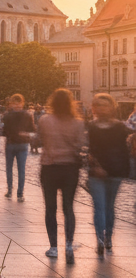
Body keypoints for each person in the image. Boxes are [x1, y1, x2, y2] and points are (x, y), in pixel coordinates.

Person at [36, 87, 86, 264]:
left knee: (50, 208)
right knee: (68, 208)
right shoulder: (78, 123)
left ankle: (53, 247)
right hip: (70, 169)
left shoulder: (45, 120)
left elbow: (38, 140)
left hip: (49, 167)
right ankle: (69, 245)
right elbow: (81, 145)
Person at [86, 93, 131, 256]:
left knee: (109, 206)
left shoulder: (119, 126)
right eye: (98, 105)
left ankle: (108, 237)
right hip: (96, 171)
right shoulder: (91, 125)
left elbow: (124, 150)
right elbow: (90, 149)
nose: (101, 108)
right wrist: (95, 165)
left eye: (105, 105)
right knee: (99, 206)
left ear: (111, 107)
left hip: (115, 171)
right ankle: (100, 239)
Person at [2, 93, 36, 201]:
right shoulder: (28, 115)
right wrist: (25, 133)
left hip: (11, 144)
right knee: (21, 170)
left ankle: (10, 191)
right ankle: (20, 193)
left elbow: (4, 131)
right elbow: (33, 130)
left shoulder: (7, 115)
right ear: (22, 103)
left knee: (9, 169)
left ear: (11, 104)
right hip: (22, 144)